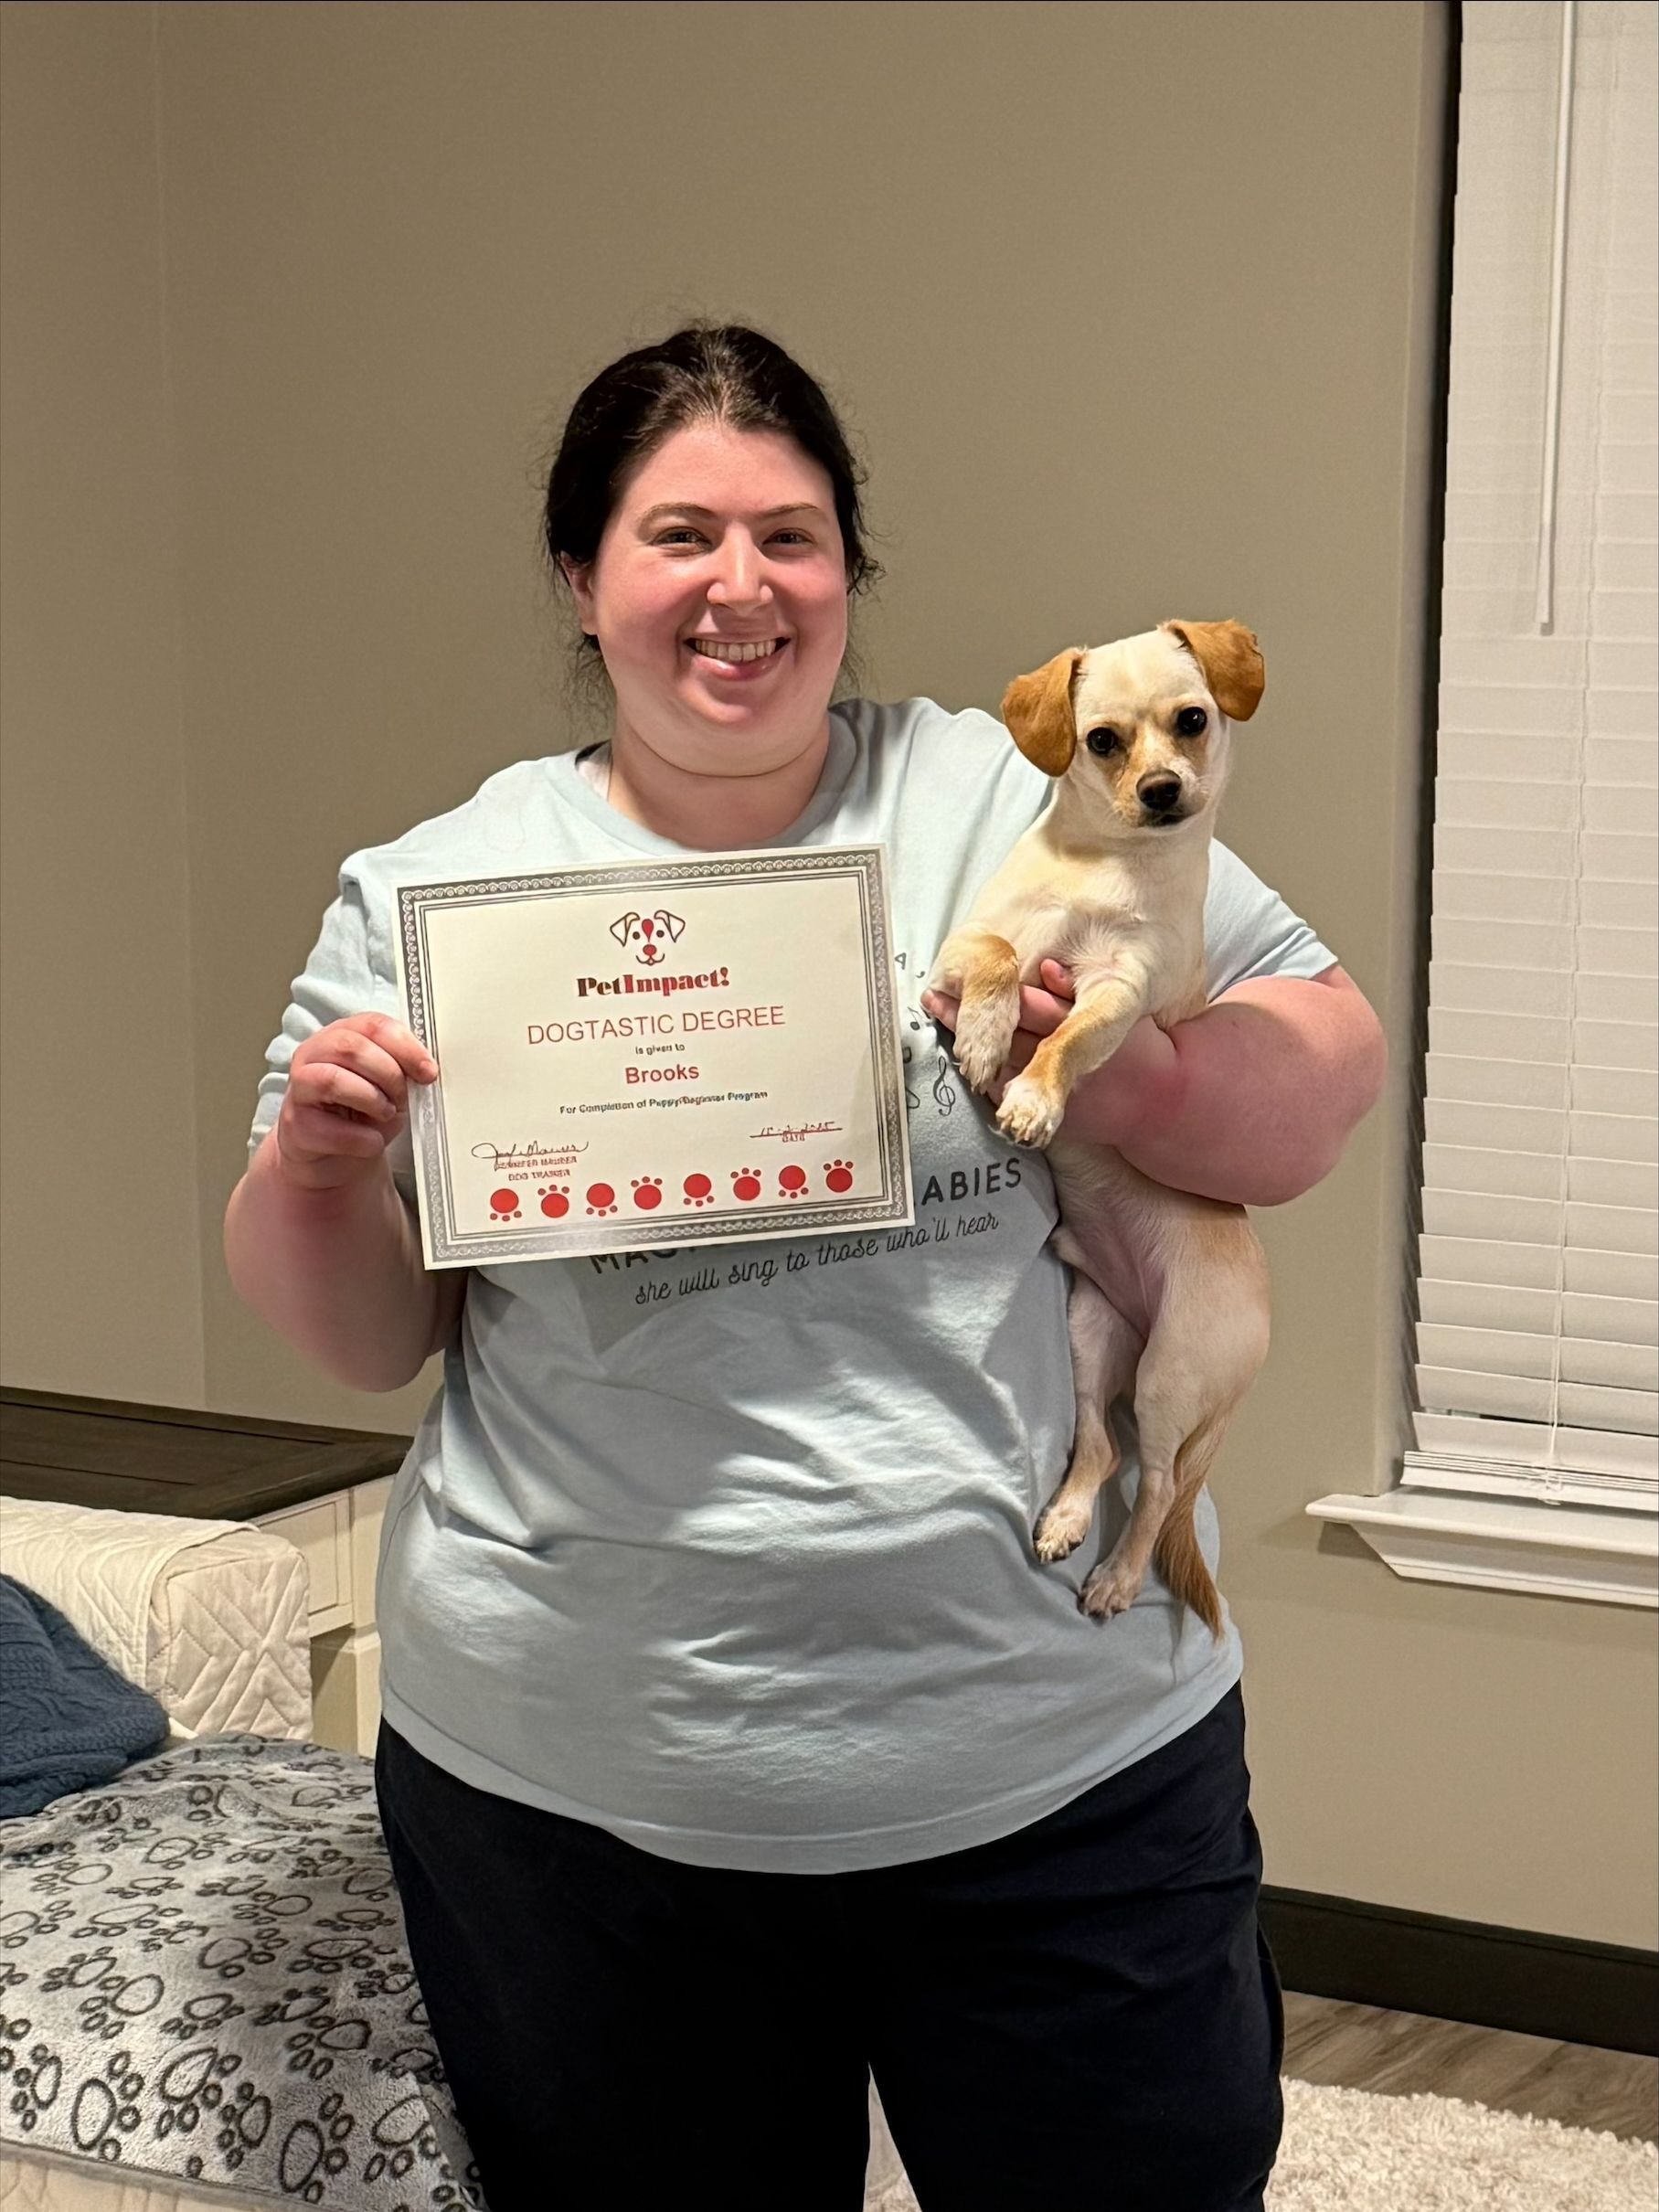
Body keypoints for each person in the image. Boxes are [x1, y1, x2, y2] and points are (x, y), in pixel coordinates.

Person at [226, 324, 1386, 2212]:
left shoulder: (1009, 802)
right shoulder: (441, 890)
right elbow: (359, 1338)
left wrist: (1125, 1055)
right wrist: (322, 1158)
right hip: (576, 1792)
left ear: (848, 571)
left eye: (793, 535)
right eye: (678, 533)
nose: (739, 587)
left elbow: (1317, 1080)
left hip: (1055, 1758)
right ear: (580, 580)